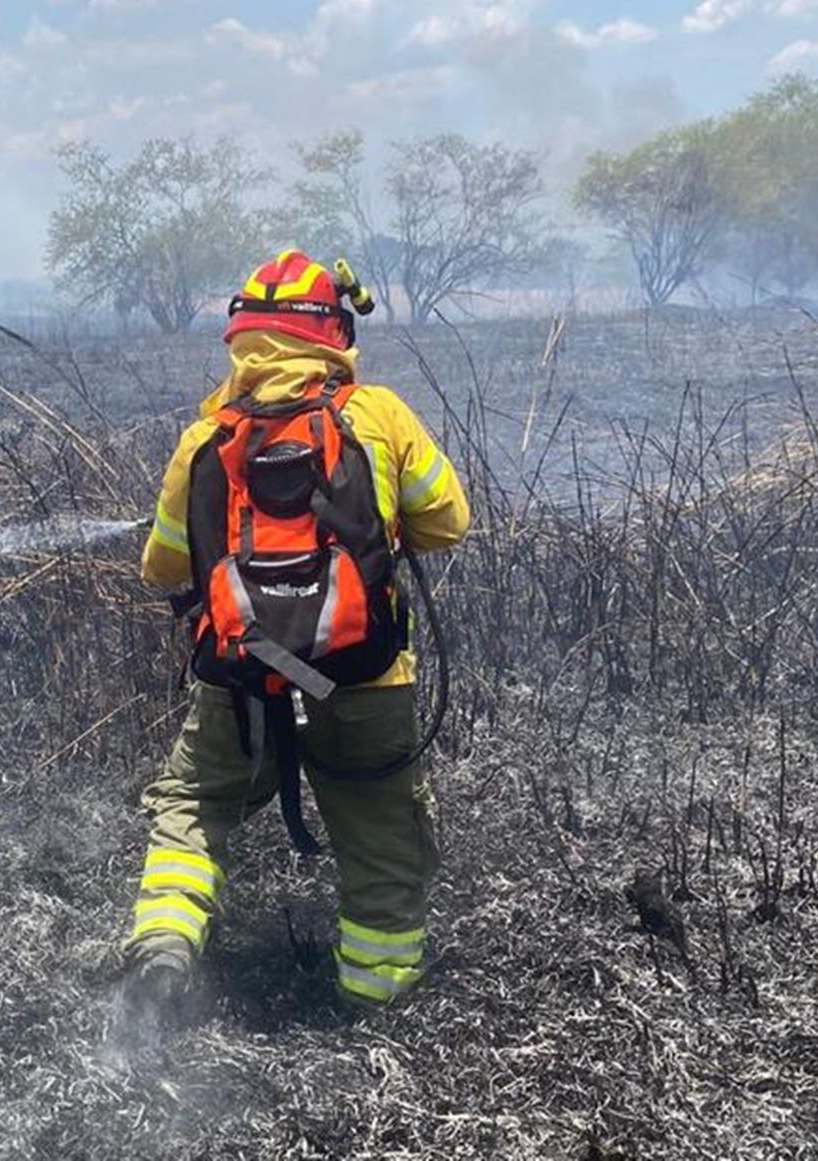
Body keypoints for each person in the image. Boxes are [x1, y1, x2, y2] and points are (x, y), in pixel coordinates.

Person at [118, 250, 471, 1021]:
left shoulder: (206, 437)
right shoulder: (377, 416)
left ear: (240, 337)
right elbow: (449, 523)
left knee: (194, 806)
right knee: (382, 834)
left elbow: (161, 565)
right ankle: (375, 1002)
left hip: (239, 679)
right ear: (333, 334)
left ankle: (163, 958)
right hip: (366, 678)